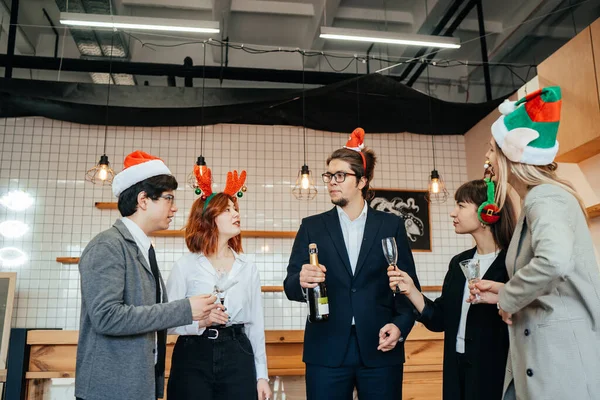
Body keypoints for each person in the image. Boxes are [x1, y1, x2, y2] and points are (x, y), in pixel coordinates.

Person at [471, 87, 600, 399]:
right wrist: (503, 290)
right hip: (546, 359)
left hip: (561, 363)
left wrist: (509, 297)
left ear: (511, 154)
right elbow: (555, 282)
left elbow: (554, 261)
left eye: (491, 149)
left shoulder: (546, 197)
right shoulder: (538, 199)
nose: (487, 158)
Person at [284, 128, 420, 400]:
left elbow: (407, 286)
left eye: (340, 176)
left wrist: (401, 326)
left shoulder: (391, 225)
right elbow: (290, 285)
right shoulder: (312, 227)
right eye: (329, 176)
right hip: (326, 349)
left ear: (362, 181)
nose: (331, 182)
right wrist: (301, 280)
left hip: (381, 346)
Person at [75, 151, 222, 400]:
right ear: (143, 200)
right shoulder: (108, 246)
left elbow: (148, 315)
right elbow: (107, 318)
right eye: (168, 199)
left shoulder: (144, 249)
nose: (174, 208)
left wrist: (198, 318)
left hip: (137, 387)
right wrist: (184, 309)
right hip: (109, 391)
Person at [388, 179, 515, 400]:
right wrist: (411, 290)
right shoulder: (459, 262)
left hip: (497, 371)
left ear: (488, 213)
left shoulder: (512, 263)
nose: (452, 213)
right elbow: (440, 320)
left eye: (461, 205)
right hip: (456, 368)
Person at [166, 168, 271, 400]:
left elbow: (255, 324)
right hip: (193, 353)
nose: (236, 214)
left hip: (238, 352)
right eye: (227, 210)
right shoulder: (185, 265)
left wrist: (261, 375)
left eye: (235, 208)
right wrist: (199, 322)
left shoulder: (248, 267)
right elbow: (166, 322)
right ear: (208, 217)